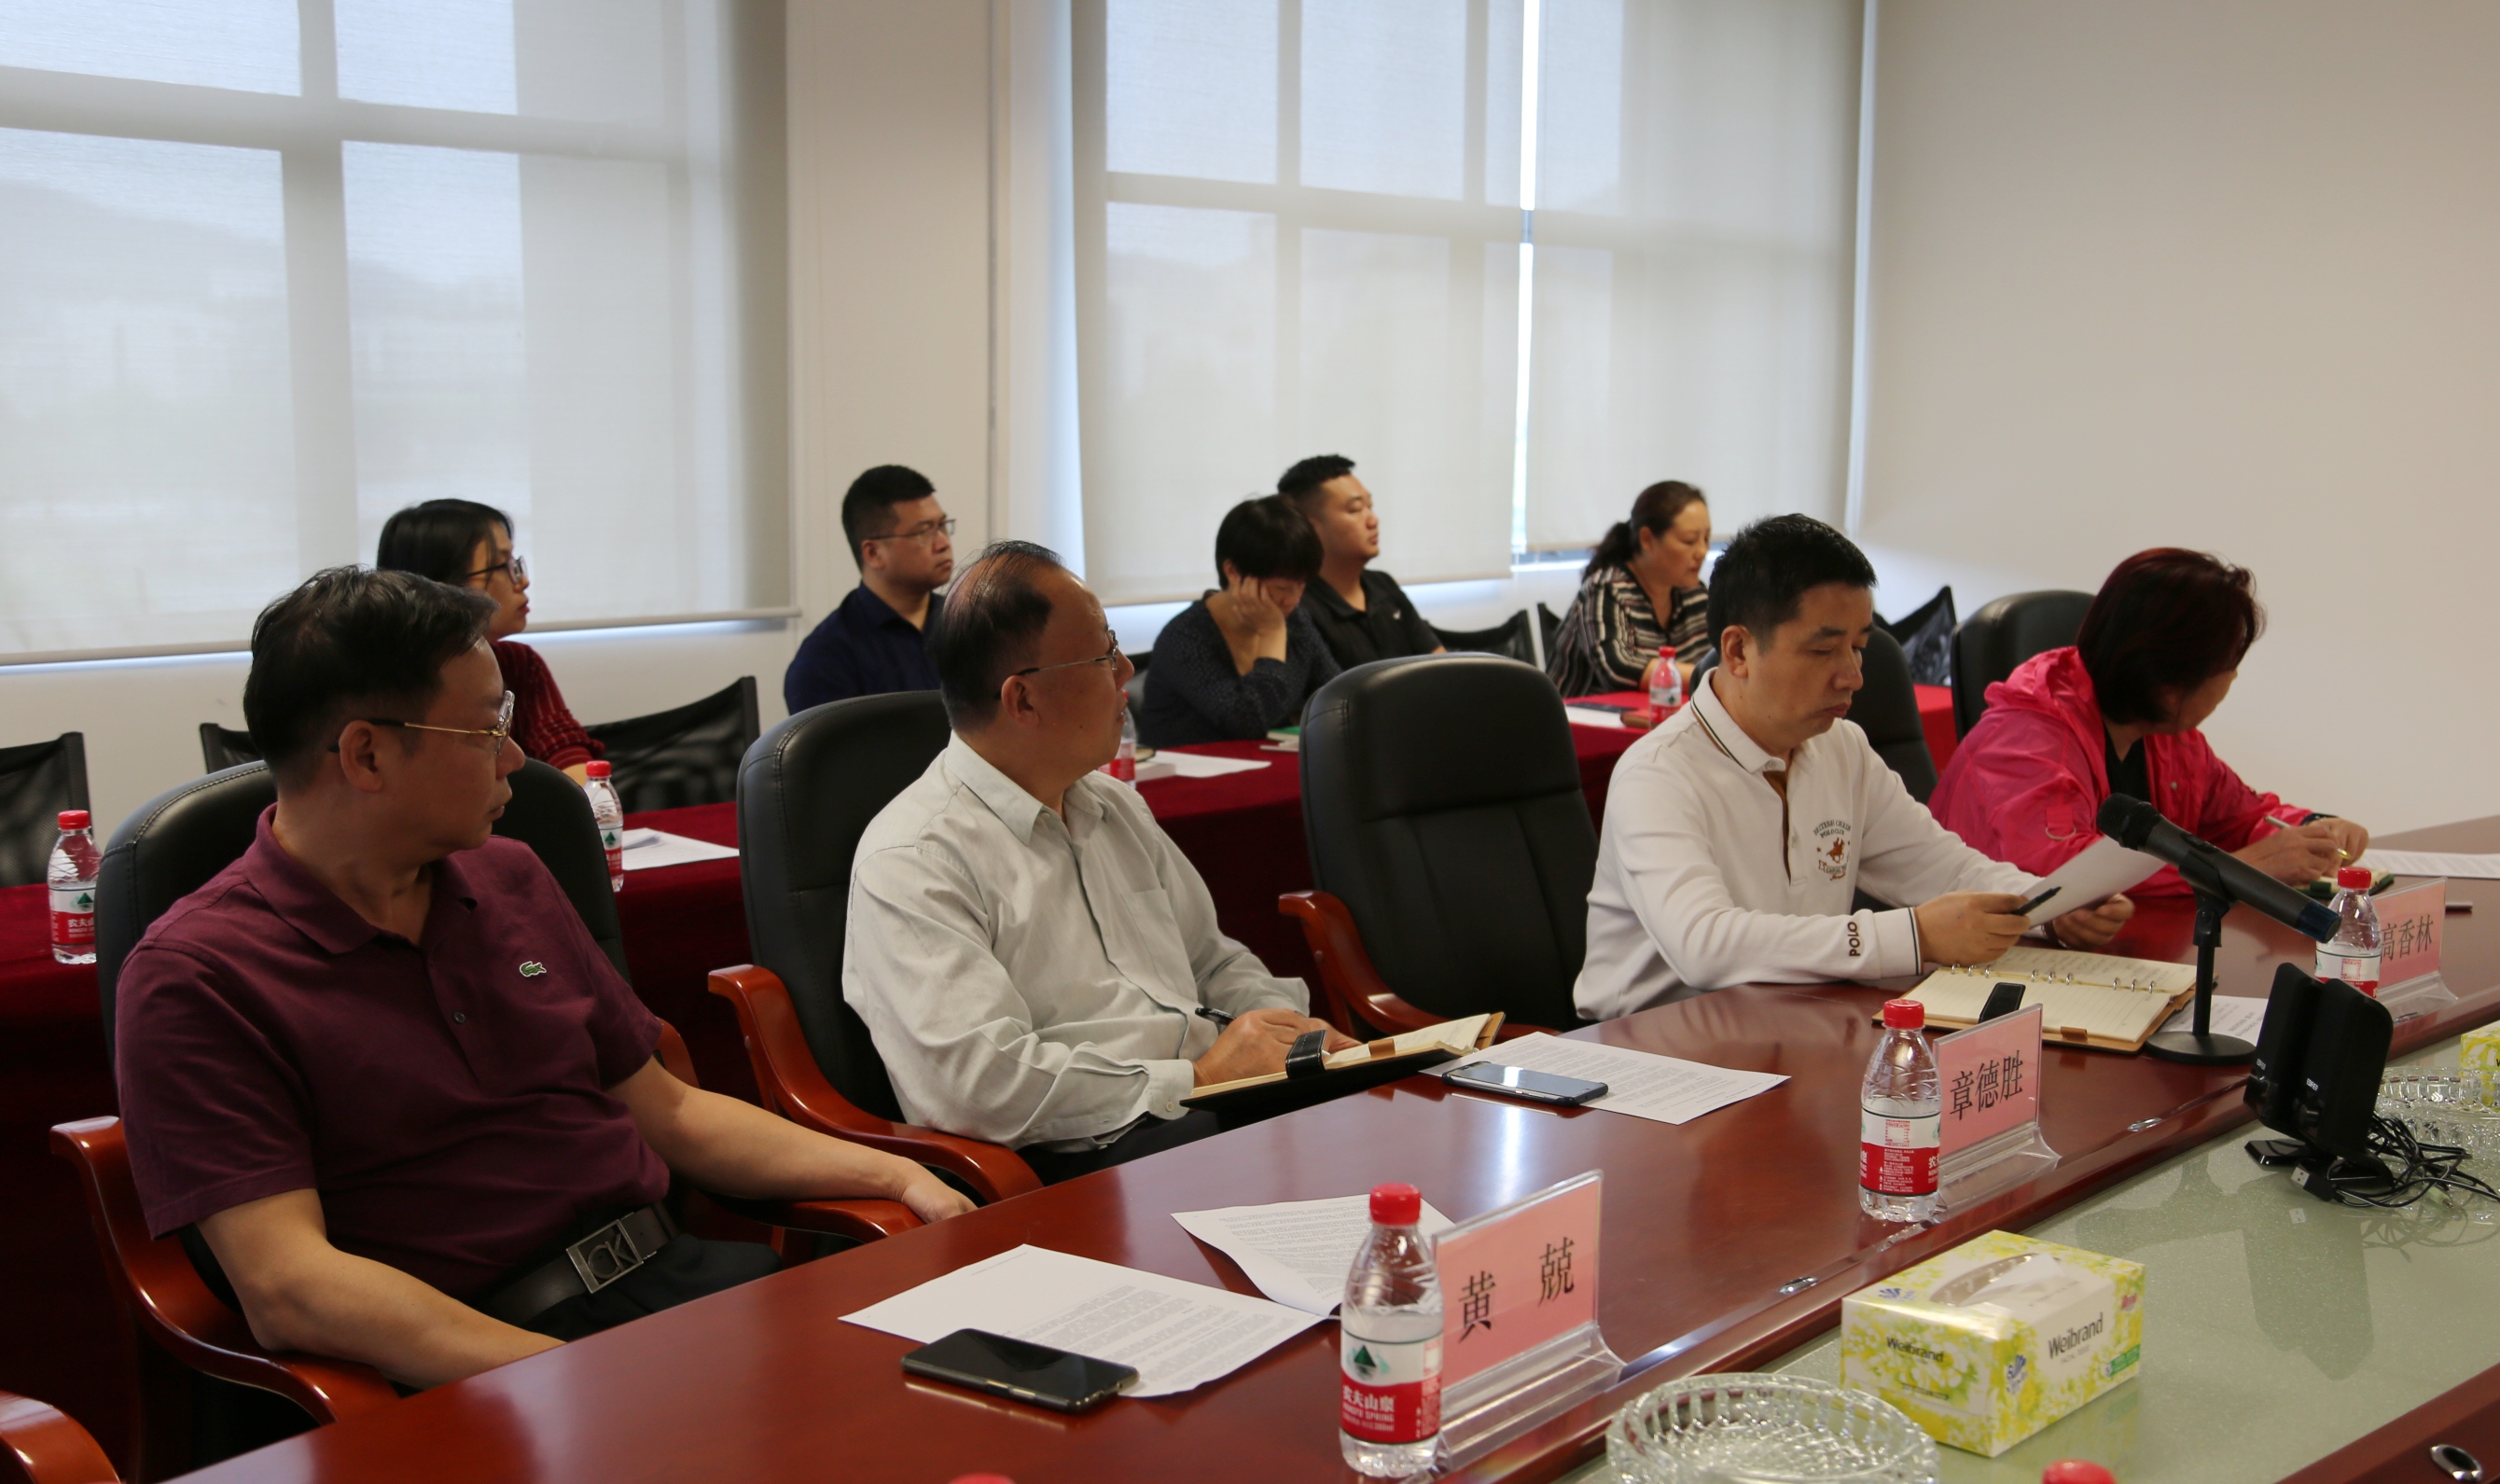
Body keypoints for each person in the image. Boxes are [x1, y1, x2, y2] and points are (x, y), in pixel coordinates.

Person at [113, 569, 970, 1389]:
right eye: (486, 730)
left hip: (674, 1288)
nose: (517, 757)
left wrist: (894, 1174)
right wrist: (563, 1380)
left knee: (966, 1397)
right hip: (481, 1360)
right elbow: (289, 1284)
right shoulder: (198, 976)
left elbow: (670, 1111)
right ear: (366, 755)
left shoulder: (509, 875)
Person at [844, 541, 1354, 1183]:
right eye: (1102, 654)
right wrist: (1197, 1077)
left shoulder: (1113, 805)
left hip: (1200, 1107)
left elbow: (1213, 962)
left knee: (1393, 1106)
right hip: (1085, 1154)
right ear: (1023, 700)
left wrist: (1295, 1036)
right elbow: (978, 1084)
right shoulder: (915, 858)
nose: (1126, 670)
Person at [1575, 516, 2135, 1020]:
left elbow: (1943, 868)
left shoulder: (1841, 747)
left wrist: (2049, 908)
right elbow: (1704, 944)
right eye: (1824, 651)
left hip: (1791, 1024)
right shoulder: (1658, 773)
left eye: (1859, 647)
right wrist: (1914, 936)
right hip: (1651, 1050)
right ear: (1739, 651)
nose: (1853, 676)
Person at [1931, 548, 2368, 894]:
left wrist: (2313, 828)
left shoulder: (2168, 735)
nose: (2233, 678)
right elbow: (2066, 877)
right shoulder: (2025, 740)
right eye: (2228, 665)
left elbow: (2240, 817)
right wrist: (2242, 868)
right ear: (2169, 682)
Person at [376, 500, 603, 784]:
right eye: (504, 565)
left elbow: (566, 753)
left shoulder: (518, 664)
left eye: (516, 563)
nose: (523, 581)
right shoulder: (389, 684)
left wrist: (591, 794)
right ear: (442, 585)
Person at [1135, 495, 1342, 748]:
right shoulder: (1185, 636)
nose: (1294, 599)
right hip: (1191, 768)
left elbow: (1339, 697)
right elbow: (1248, 721)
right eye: (1283, 587)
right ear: (1233, 572)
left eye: (1302, 586)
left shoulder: (1296, 622)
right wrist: (1272, 634)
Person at [784, 465, 957, 714]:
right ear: (874, 553)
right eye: (924, 532)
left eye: (942, 525)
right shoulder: (825, 659)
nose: (943, 543)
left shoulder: (965, 623)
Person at [1546, 480, 1713, 699]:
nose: (1702, 551)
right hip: (1580, 717)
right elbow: (1619, 669)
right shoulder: (1607, 589)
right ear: (1647, 540)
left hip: (1658, 715)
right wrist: (1709, 676)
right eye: (1689, 541)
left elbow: (1719, 658)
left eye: (1706, 539)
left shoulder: (1695, 594)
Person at [1277, 453, 1444, 667]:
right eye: (1355, 510)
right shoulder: (1295, 605)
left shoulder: (1383, 584)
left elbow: (1440, 664)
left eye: (1370, 507)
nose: (1373, 520)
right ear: (1310, 526)